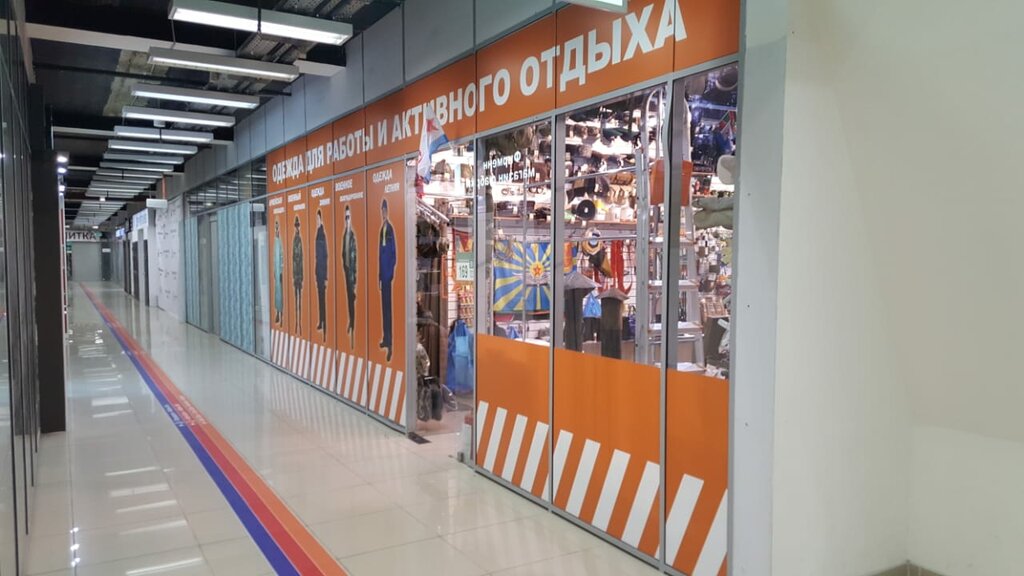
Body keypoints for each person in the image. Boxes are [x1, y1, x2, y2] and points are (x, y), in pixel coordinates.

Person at [378, 199, 397, 362]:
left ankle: (390, 343)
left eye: (384, 210)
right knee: (384, 309)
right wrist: (379, 275)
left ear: (387, 211)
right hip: (382, 276)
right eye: (381, 210)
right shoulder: (381, 230)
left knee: (388, 309)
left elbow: (393, 254)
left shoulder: (389, 229)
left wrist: (389, 273)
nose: (383, 213)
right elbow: (380, 255)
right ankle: (386, 338)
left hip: (387, 275)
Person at [341, 205, 358, 348]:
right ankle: (351, 321)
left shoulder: (352, 236)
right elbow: (343, 254)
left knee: (352, 299)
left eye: (349, 217)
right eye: (345, 217)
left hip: (351, 273)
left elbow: (355, 258)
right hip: (346, 271)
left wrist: (355, 277)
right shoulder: (344, 236)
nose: (347, 220)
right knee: (348, 299)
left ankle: (353, 324)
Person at [314, 209, 328, 340]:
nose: (317, 221)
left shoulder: (322, 234)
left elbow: (325, 256)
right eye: (316, 219)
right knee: (320, 299)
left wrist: (326, 276)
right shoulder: (318, 233)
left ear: (321, 220)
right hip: (318, 272)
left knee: (323, 299)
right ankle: (321, 321)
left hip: (322, 273)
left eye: (318, 219)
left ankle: (325, 324)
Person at [292, 215, 304, 332]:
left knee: (299, 300)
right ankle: (297, 323)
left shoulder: (299, 239)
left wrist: (302, 276)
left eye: (298, 225)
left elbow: (301, 258)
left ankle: (299, 323)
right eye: (296, 226)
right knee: (296, 299)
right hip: (296, 274)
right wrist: (293, 275)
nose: (297, 228)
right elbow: (293, 258)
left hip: (299, 274)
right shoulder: (295, 240)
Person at [273, 220, 283, 325]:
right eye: (275, 228)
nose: (276, 230)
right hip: (276, 272)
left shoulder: (280, 242)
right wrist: (274, 271)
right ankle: (277, 313)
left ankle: (282, 315)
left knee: (281, 294)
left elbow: (282, 257)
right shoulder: (275, 241)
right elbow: (274, 258)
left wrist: (281, 271)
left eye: (277, 228)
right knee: (277, 294)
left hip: (280, 273)